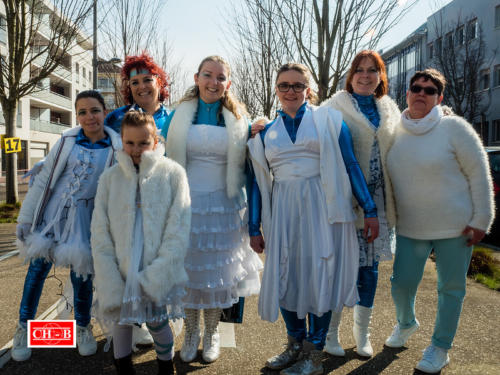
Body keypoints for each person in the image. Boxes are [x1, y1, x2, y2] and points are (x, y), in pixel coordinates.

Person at [248, 63, 379, 375]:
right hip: (282, 212)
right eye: (284, 85)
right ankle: (294, 344)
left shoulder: (330, 120)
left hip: (323, 209)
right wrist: (254, 226)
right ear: (276, 90)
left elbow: (350, 165)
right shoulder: (265, 131)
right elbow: (255, 181)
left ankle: (314, 353)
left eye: (297, 85)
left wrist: (370, 210)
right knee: (285, 275)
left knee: (321, 274)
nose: (291, 91)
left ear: (308, 88)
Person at [385, 68, 494, 374]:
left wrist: (482, 219)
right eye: (416, 88)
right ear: (407, 93)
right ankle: (406, 323)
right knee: (401, 284)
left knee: (451, 289)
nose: (421, 93)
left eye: (429, 90)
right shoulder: (394, 131)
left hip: (456, 228)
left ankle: (440, 347)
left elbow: (479, 174)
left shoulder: (455, 128)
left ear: (439, 97)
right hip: (410, 227)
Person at [163, 55, 263, 364]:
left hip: (225, 207)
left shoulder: (239, 120)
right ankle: (190, 331)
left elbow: (251, 165)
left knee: (217, 274)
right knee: (190, 271)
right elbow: (160, 158)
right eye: (208, 75)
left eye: (220, 78)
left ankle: (211, 332)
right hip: (186, 205)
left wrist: (263, 126)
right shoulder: (178, 116)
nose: (213, 82)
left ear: (228, 84)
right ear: (196, 78)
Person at [12, 90, 122, 362]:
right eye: (82, 112)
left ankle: (82, 327)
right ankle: (24, 328)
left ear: (104, 111)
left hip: (86, 220)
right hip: (52, 216)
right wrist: (25, 219)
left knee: (82, 276)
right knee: (37, 271)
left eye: (94, 110)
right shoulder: (65, 142)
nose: (89, 117)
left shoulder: (117, 148)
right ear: (77, 115)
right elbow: (43, 181)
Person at [91, 111, 190, 375]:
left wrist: (162, 269)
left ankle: (166, 365)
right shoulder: (110, 178)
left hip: (153, 263)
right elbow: (99, 229)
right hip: (121, 265)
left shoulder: (172, 174)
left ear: (155, 141)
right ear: (121, 141)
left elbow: (178, 225)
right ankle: (123, 367)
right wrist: (107, 271)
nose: (136, 150)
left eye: (143, 143)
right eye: (130, 143)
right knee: (121, 322)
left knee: (158, 321)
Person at [321, 50, 400, 357]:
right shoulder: (333, 107)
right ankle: (330, 335)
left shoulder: (389, 109)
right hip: (346, 202)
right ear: (350, 76)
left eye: (372, 70)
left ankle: (362, 334)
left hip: (379, 204)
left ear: (381, 76)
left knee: (370, 270)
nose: (365, 76)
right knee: (342, 269)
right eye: (359, 70)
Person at [105, 52, 170, 135]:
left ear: (159, 83)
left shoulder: (172, 119)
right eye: (135, 83)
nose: (142, 86)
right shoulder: (115, 118)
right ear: (130, 88)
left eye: (147, 80)